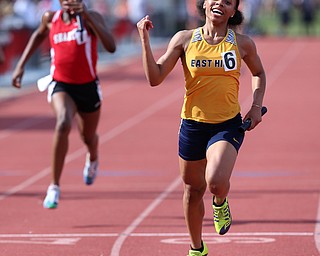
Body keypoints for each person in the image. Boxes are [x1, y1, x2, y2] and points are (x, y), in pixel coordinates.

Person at [136, 0, 266, 255]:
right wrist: (144, 38)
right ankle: (197, 248)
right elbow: (155, 77)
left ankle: (220, 201)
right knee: (192, 191)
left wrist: (255, 106)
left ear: (233, 11)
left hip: (226, 125)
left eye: (227, 2)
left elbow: (258, 73)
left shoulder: (242, 44)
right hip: (193, 125)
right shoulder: (185, 39)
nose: (219, 3)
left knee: (216, 181)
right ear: (204, 4)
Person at [12, 0, 116, 209]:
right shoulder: (50, 18)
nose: (71, 1)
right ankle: (54, 187)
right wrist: (20, 66)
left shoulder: (91, 18)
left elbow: (111, 47)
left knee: (88, 136)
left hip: (88, 87)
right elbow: (37, 35)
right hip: (61, 84)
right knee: (62, 123)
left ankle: (93, 157)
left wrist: (86, 17)